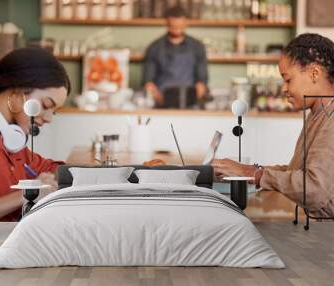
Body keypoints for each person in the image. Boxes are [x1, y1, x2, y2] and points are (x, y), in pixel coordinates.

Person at [212, 33, 334, 217]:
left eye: (288, 79)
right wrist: (247, 172)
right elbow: (297, 173)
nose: (283, 88)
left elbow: (313, 190)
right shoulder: (317, 114)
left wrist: (254, 174)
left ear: (314, 73)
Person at [0, 47, 70, 221]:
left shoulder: (11, 137)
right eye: (46, 104)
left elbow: (49, 168)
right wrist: (29, 194)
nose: (49, 118)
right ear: (17, 91)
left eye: (54, 111)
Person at [143, 5, 208, 108]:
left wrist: (197, 96)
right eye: (173, 26)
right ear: (167, 23)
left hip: (191, 105)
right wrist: (158, 97)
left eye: (179, 26)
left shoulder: (197, 47)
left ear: (186, 23)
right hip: (162, 104)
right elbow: (148, 82)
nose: (176, 30)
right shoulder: (154, 47)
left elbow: (202, 81)